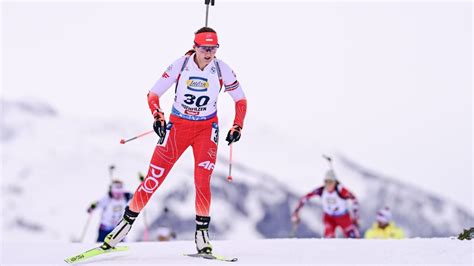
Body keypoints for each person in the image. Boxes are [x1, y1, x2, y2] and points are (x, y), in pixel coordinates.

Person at [100, 27, 247, 254]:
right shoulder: (180, 65)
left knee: (202, 181)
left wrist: (238, 125)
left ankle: (202, 235)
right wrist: (157, 115)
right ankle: (123, 227)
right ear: (195, 46)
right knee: (153, 178)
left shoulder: (222, 69)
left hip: (206, 130)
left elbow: (241, 100)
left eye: (213, 48)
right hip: (178, 127)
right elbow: (153, 94)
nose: (209, 53)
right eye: (204, 48)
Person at [291, 170, 360, 238]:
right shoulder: (321, 190)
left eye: (331, 182)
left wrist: (355, 217)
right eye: (326, 182)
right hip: (329, 218)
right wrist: (296, 212)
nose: (328, 184)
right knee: (329, 238)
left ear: (335, 182)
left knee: (352, 237)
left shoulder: (341, 190)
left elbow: (354, 199)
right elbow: (305, 198)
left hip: (343, 217)